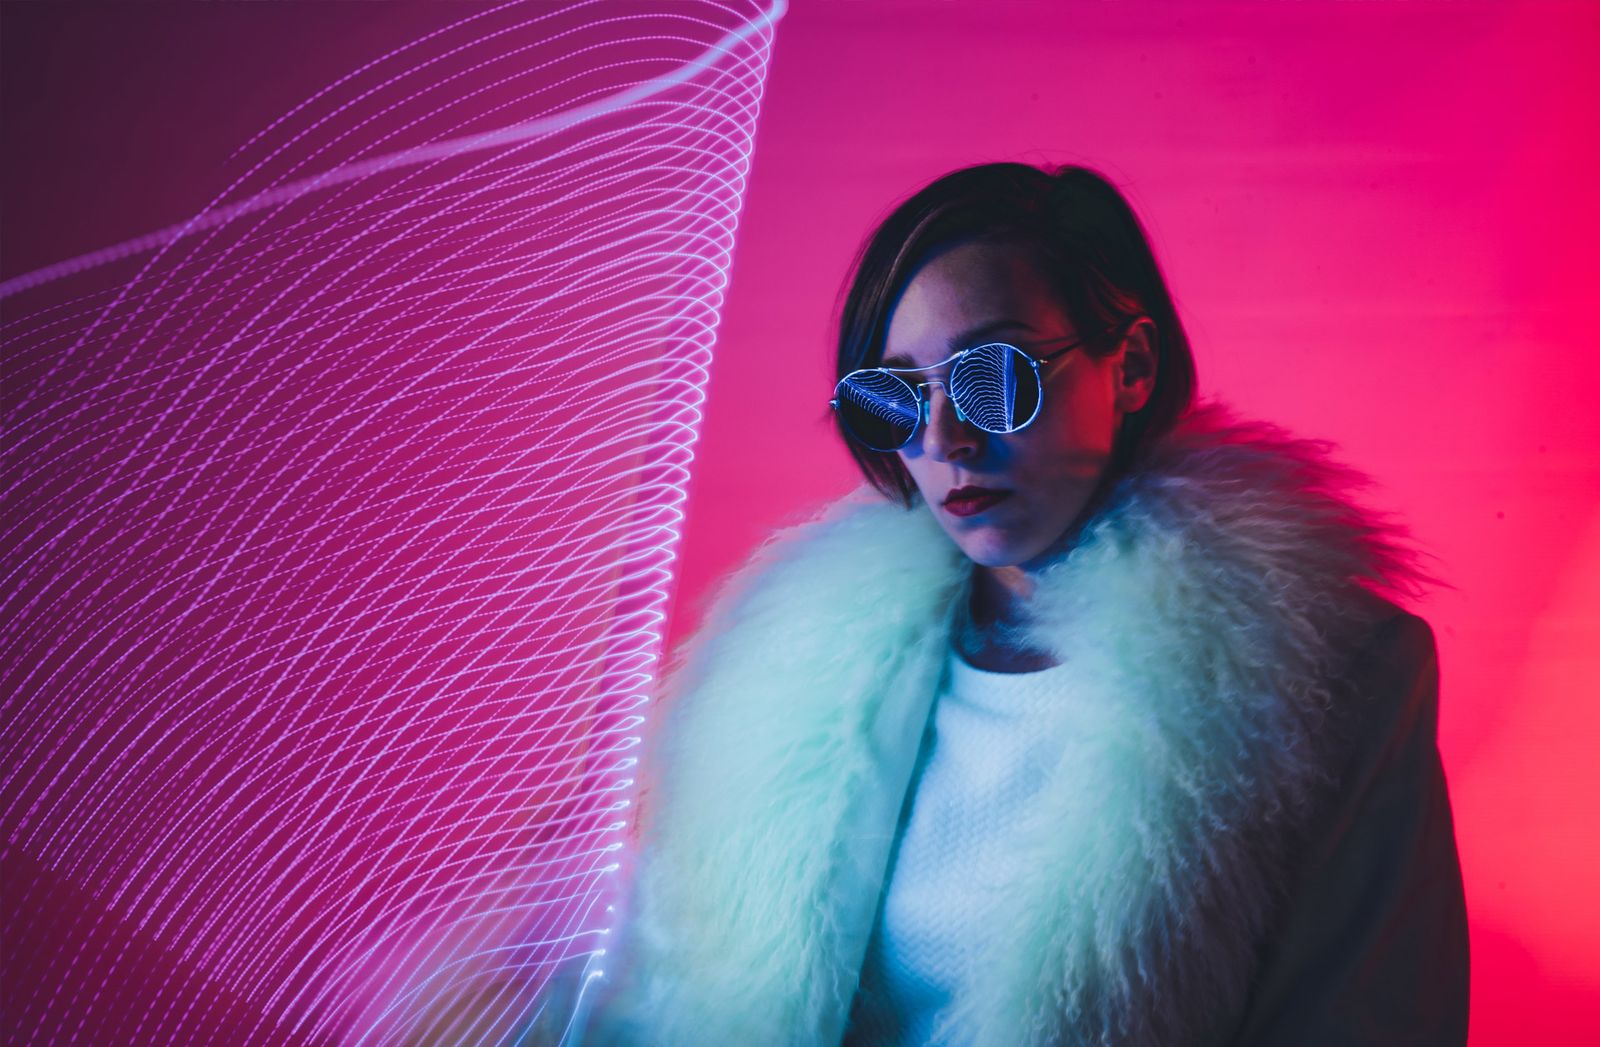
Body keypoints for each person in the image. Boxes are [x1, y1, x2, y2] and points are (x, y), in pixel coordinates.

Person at [571, 162, 1469, 1045]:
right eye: (896, 397)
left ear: (1132, 365)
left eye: (993, 376)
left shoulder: (1331, 682)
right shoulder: (781, 685)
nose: (944, 438)